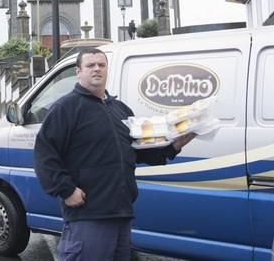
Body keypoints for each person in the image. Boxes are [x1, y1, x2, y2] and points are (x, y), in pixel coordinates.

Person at [33, 48, 195, 261]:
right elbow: (44, 154)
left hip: (122, 213)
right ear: (78, 71)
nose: (97, 69)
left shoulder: (121, 110)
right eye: (90, 65)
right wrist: (66, 190)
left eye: (101, 64)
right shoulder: (66, 108)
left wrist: (172, 147)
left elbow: (136, 152)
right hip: (89, 215)